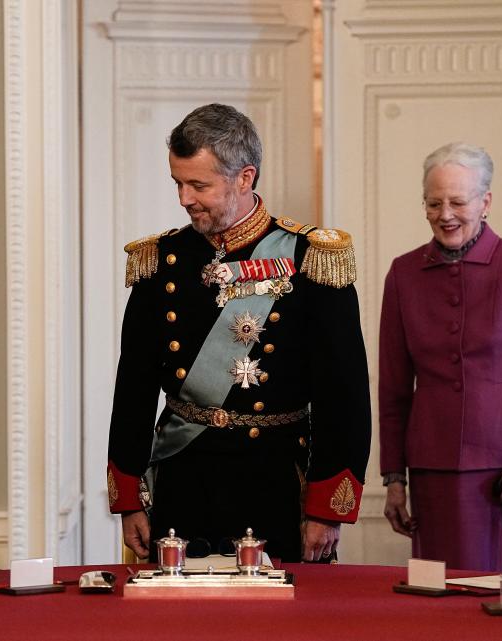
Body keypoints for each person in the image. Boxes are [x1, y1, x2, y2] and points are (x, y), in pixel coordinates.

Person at [107, 103, 371, 562]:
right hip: (181, 481)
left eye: (198, 185)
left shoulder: (312, 258)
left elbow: (343, 396)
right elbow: (133, 388)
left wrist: (326, 510)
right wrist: (129, 499)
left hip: (274, 485)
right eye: (178, 183)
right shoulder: (160, 260)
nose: (184, 198)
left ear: (244, 178)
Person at [378, 142, 502, 572]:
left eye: (458, 202)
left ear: (485, 202)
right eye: (434, 203)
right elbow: (393, 389)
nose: (445, 214)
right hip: (435, 471)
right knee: (444, 597)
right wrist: (394, 480)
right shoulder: (403, 274)